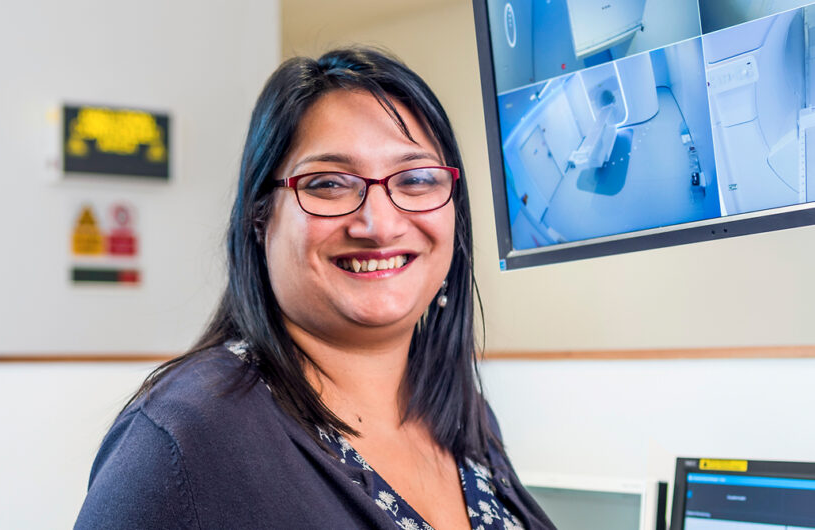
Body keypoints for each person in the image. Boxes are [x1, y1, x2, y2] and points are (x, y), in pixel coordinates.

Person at [75, 47, 555, 530]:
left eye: (414, 179)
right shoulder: (183, 439)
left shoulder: (458, 414)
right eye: (328, 184)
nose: (379, 224)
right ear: (259, 217)